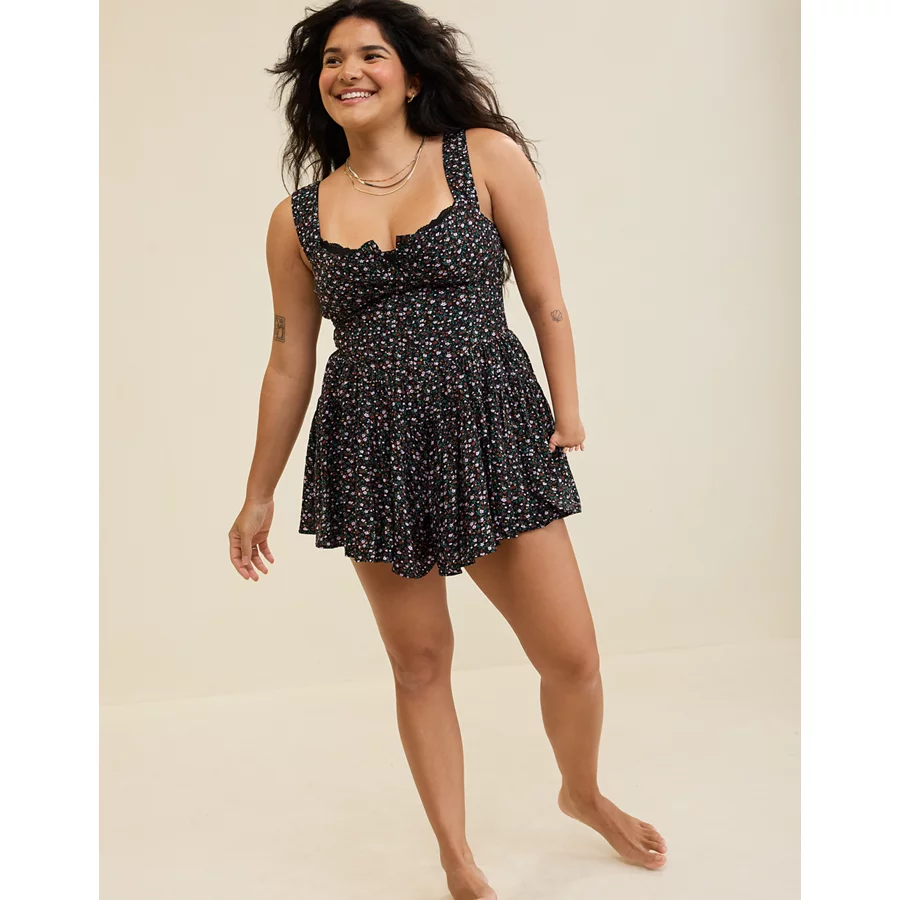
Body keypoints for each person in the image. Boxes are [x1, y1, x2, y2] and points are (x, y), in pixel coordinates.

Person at [229, 1, 667, 896]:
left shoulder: (483, 157)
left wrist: (567, 407)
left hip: (492, 430)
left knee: (572, 657)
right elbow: (288, 362)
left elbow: (545, 294)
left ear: (412, 76)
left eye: (370, 54)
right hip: (372, 448)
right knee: (419, 663)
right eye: (331, 60)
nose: (348, 71)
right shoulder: (296, 219)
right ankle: (456, 856)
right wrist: (257, 492)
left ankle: (582, 792)